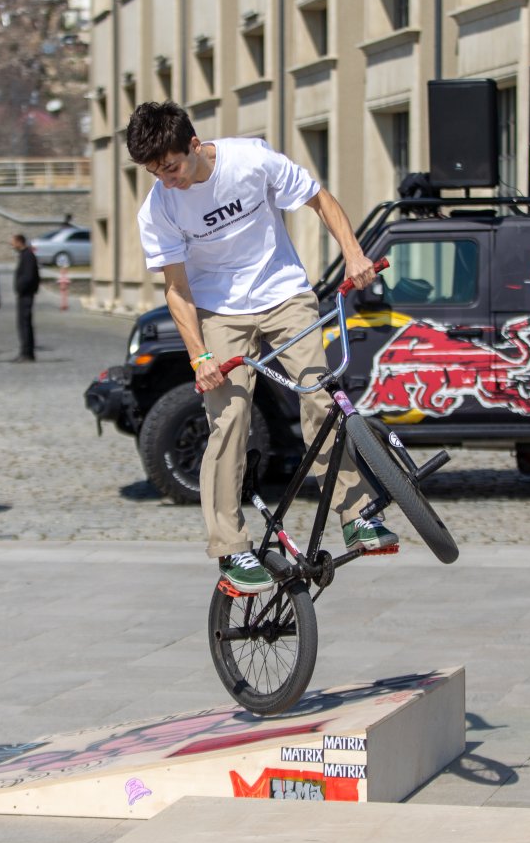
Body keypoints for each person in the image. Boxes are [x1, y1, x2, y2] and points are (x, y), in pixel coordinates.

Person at [126, 100, 395, 595]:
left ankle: (356, 515)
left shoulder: (251, 160)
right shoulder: (159, 207)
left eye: (171, 167)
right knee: (229, 422)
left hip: (284, 296)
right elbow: (177, 289)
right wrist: (199, 356)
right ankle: (230, 548)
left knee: (320, 396)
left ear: (192, 144)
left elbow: (321, 200)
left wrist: (355, 254)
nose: (167, 180)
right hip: (218, 312)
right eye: (154, 173)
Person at [10, 232, 40, 361]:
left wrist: (19, 288)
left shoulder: (28, 255)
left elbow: (29, 277)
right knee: (23, 323)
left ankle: (26, 353)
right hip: (24, 294)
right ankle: (26, 351)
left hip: (26, 295)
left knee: (24, 324)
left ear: (19, 242)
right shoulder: (25, 255)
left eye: (13, 242)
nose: (12, 244)